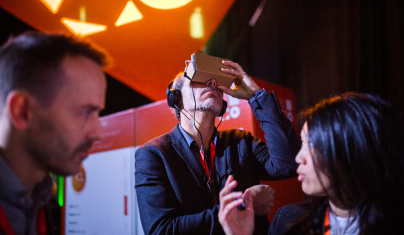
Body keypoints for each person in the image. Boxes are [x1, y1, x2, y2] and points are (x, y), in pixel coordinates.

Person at [135, 60, 301, 235]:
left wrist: (256, 96)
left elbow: (289, 164)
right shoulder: (154, 154)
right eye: (199, 77)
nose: (211, 83)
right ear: (176, 98)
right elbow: (161, 231)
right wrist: (243, 204)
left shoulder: (240, 141)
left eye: (215, 82)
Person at [218, 92, 404, 235]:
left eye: (312, 145)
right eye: (303, 144)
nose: (299, 157)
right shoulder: (287, 223)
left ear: (354, 149)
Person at [0, 31, 109, 235]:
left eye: (98, 114)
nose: (99, 133)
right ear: (22, 111)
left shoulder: (37, 200)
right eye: (86, 112)